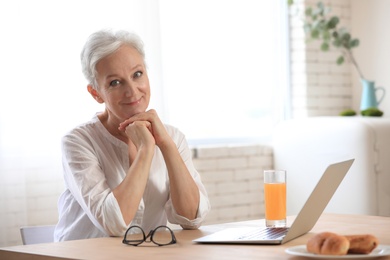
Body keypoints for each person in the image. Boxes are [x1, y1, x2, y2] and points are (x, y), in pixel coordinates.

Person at [54, 29, 211, 241]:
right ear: (96, 93)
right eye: (115, 83)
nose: (132, 91)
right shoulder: (78, 142)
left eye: (137, 74)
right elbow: (113, 223)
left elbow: (191, 218)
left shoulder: (172, 136)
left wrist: (166, 146)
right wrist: (146, 149)